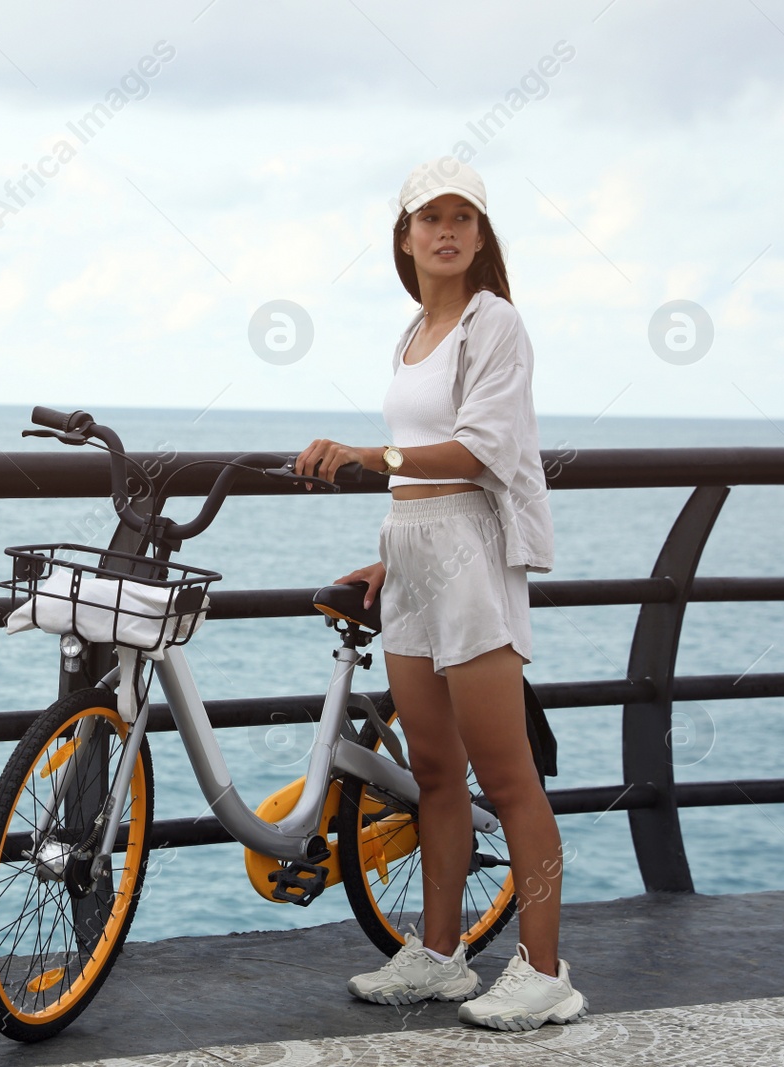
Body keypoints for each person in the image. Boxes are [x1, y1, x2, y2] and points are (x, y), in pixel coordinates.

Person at [292, 156, 587, 1031]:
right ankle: (442, 954)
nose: (448, 231)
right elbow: (418, 472)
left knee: (509, 777)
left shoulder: (497, 326)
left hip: (469, 554)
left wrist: (363, 456)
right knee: (433, 773)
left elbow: (474, 452)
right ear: (407, 237)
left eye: (464, 218)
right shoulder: (416, 331)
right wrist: (392, 557)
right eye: (432, 218)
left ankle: (546, 971)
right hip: (414, 553)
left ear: (483, 236)